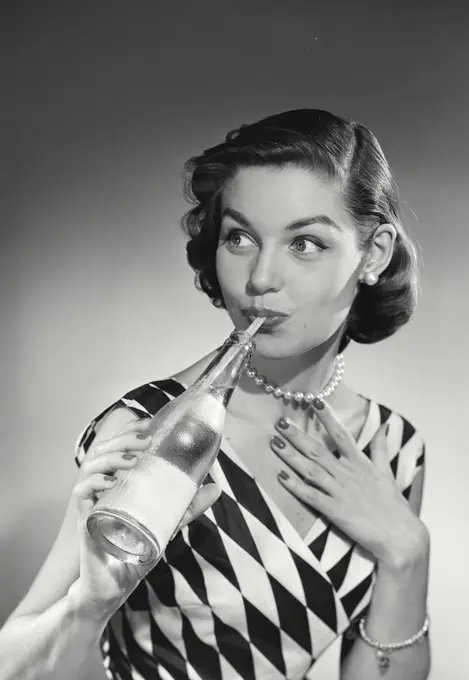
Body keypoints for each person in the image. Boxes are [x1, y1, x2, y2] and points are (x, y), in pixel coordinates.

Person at [0, 109, 431, 680]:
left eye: (305, 243)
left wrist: (408, 557)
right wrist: (92, 605)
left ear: (373, 255)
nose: (260, 278)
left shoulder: (395, 449)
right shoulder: (151, 426)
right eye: (240, 238)